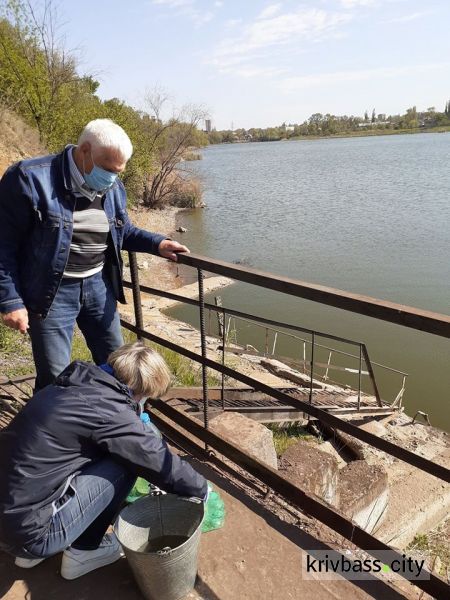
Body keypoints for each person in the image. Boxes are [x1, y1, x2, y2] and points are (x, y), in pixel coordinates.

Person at [0, 119, 188, 390]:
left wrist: (158, 243)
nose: (112, 178)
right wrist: (10, 300)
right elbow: (4, 243)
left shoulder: (112, 186)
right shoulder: (29, 179)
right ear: (85, 150)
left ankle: (118, 424)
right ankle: (53, 428)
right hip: (51, 292)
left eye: (118, 172)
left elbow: (123, 230)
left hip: (98, 287)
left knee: (119, 367)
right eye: (108, 169)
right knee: (56, 379)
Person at [0, 342, 207, 580]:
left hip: (10, 519)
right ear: (140, 390)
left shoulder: (72, 383)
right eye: (147, 396)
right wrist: (201, 488)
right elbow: (154, 459)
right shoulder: (110, 412)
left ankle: (28, 554)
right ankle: (83, 552)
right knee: (127, 464)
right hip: (30, 534)